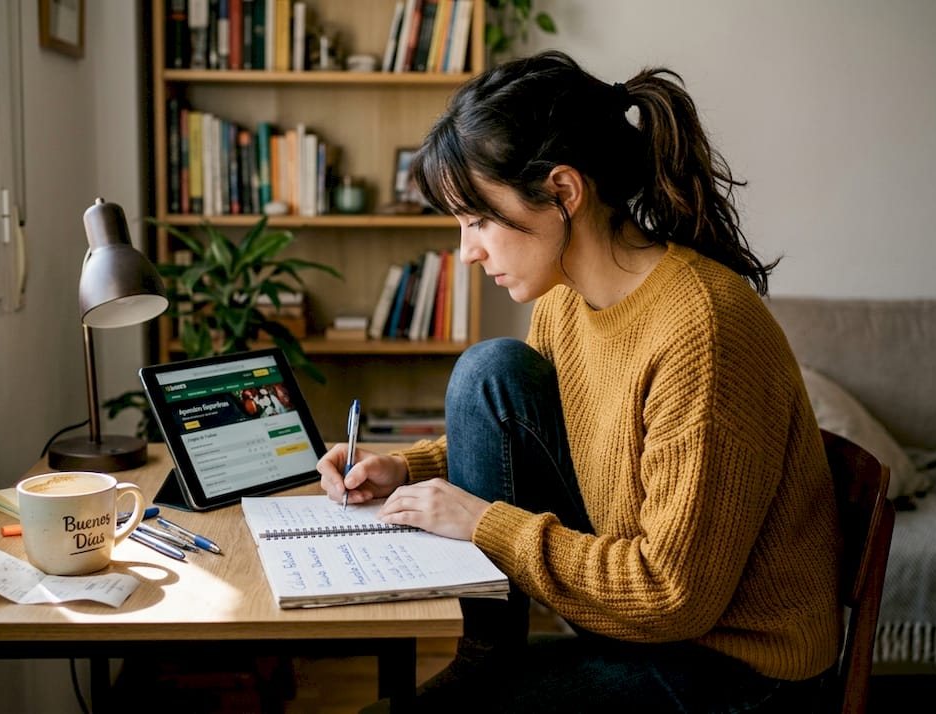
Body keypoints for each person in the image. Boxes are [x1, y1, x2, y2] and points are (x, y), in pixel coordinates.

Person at [316, 50, 840, 713]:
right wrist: (403, 469)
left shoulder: (701, 329)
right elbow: (528, 441)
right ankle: (486, 659)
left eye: (479, 220)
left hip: (734, 668)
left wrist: (483, 524)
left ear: (564, 192)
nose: (468, 250)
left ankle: (485, 674)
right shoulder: (564, 300)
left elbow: (670, 596)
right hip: (646, 633)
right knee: (491, 373)